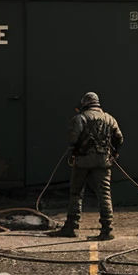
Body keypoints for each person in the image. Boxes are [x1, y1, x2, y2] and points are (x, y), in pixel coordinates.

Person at [54, 91, 124, 241]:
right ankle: (107, 229)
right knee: (104, 194)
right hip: (103, 161)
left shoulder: (80, 118)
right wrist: (114, 153)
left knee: (76, 193)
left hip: (82, 161)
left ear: (84, 103)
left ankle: (71, 227)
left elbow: (72, 140)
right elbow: (119, 137)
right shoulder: (109, 118)